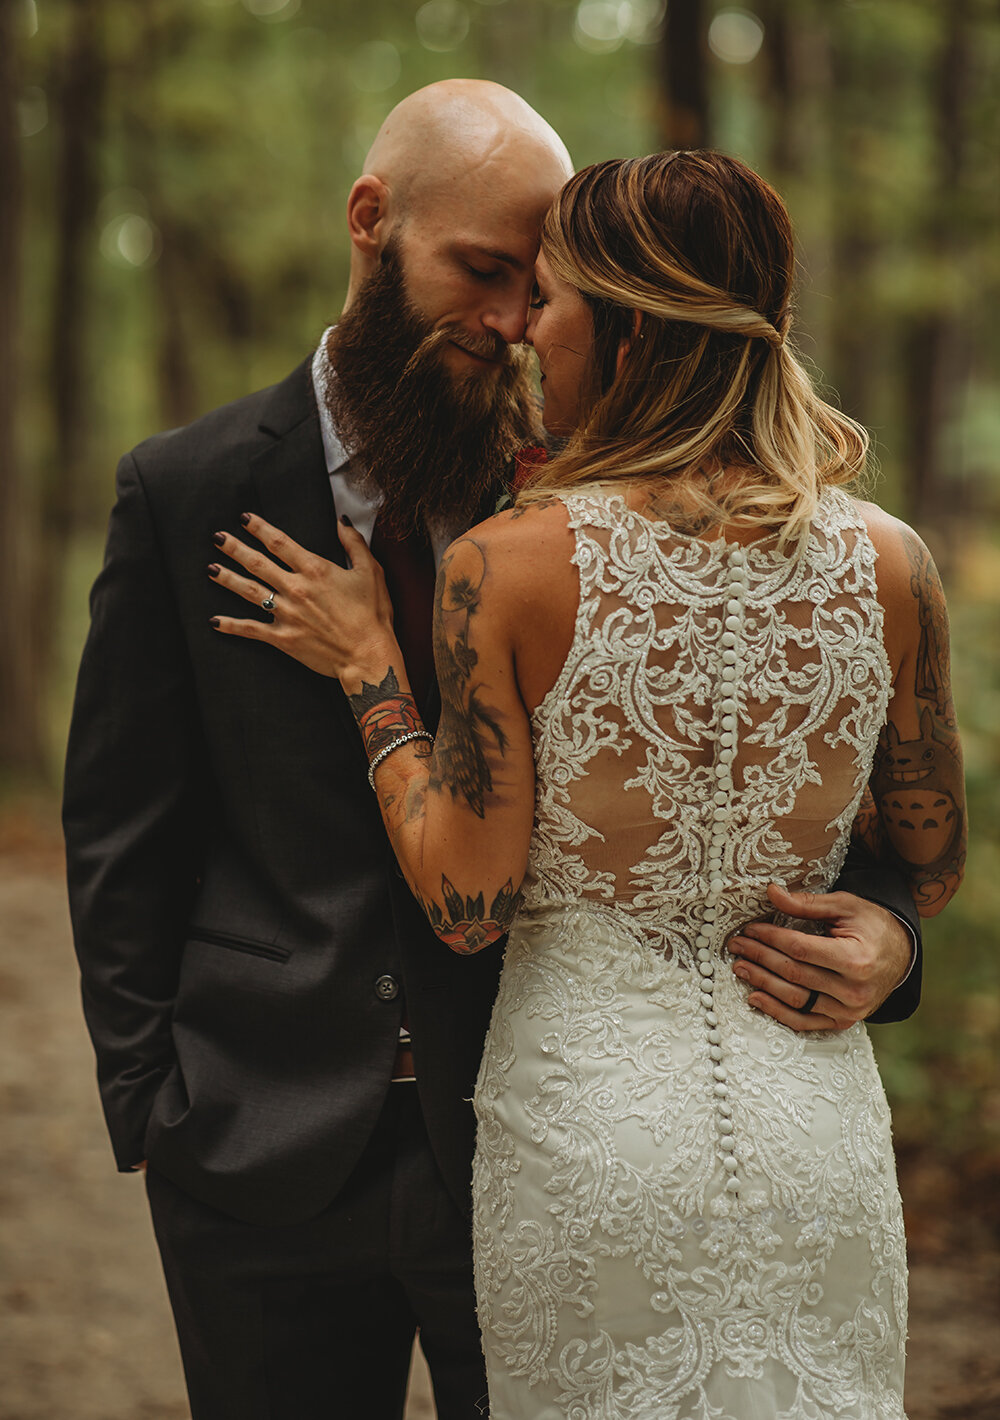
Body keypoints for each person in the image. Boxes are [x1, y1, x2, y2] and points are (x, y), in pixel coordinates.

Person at [64, 77, 917, 1420]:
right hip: (255, 1147)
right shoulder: (185, 488)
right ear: (371, 221)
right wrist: (155, 1108)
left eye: (541, 287)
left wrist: (889, 934)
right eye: (484, 270)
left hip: (532, 1142)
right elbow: (124, 826)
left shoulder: (582, 502)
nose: (517, 321)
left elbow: (766, 769)